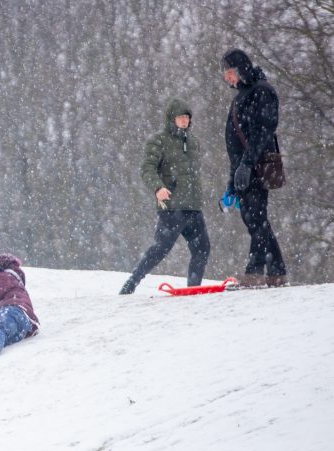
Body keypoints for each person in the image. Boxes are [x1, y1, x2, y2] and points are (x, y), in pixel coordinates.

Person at [120, 98, 210, 295]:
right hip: (172, 207)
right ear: (171, 119)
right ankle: (131, 283)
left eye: (187, 117)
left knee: (203, 249)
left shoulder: (193, 142)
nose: (184, 121)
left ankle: (193, 289)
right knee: (161, 249)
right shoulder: (159, 141)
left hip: (193, 207)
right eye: (180, 117)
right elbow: (147, 169)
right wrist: (158, 188)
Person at [220, 48, 287, 288]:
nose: (226, 77)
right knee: (254, 219)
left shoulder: (262, 92)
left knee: (256, 219)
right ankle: (276, 273)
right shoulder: (242, 94)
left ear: (240, 69)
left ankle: (255, 273)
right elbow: (235, 142)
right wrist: (232, 178)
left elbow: (262, 132)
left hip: (258, 166)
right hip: (244, 167)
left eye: (229, 72)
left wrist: (247, 164)